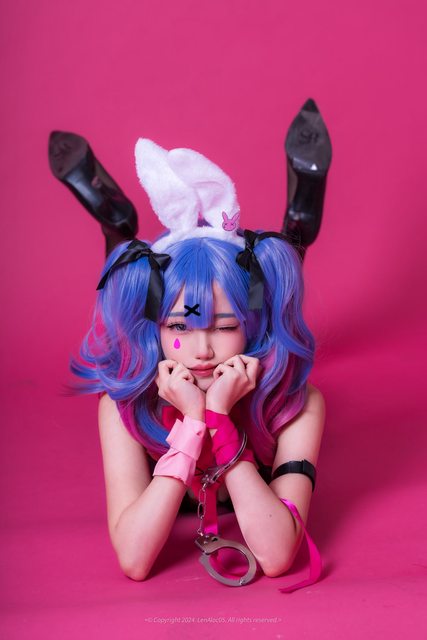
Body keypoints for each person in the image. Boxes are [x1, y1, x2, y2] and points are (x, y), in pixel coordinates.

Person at [67, 137, 327, 591]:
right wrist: (191, 424)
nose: (201, 350)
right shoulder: (124, 405)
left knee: (269, 279)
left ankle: (298, 223)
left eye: (224, 327)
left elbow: (276, 554)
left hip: (251, 379)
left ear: (249, 327)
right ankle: (118, 226)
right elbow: (134, 558)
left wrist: (219, 420)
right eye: (179, 327)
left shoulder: (297, 405)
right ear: (157, 328)